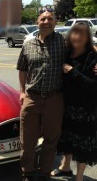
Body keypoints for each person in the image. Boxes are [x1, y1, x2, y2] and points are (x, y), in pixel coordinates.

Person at [17, 8, 66, 181]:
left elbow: (86, 48)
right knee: (27, 141)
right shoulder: (28, 44)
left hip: (54, 99)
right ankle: (28, 172)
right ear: (37, 22)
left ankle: (45, 172)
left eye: (50, 19)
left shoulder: (63, 42)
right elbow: (22, 68)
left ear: (55, 21)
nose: (46, 22)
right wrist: (22, 91)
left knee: (51, 140)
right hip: (32, 98)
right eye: (43, 19)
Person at [51, 23, 97, 181]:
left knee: (83, 144)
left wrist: (72, 71)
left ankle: (79, 177)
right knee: (67, 139)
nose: (77, 37)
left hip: (85, 108)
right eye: (74, 33)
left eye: (82, 35)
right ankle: (65, 167)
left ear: (87, 38)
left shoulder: (92, 57)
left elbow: (92, 85)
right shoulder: (67, 53)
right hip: (67, 105)